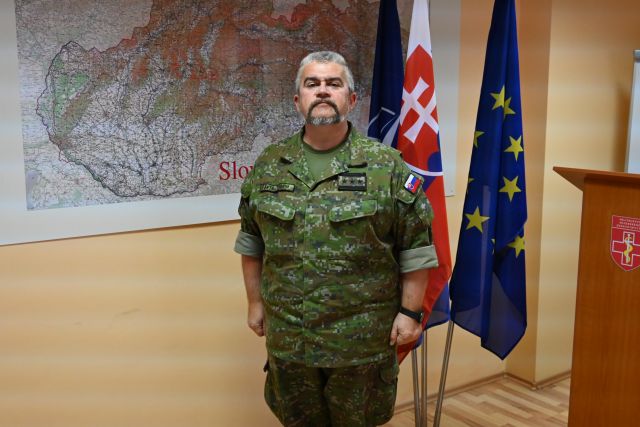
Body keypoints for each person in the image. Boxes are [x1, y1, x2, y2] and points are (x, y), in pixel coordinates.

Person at [234, 51, 438, 427]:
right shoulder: (269, 165)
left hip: (361, 341)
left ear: (351, 99)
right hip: (290, 337)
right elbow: (251, 243)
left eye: (334, 83)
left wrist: (410, 313)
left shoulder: (386, 166)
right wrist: (254, 303)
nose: (323, 91)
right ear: (298, 100)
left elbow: (417, 248)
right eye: (312, 84)